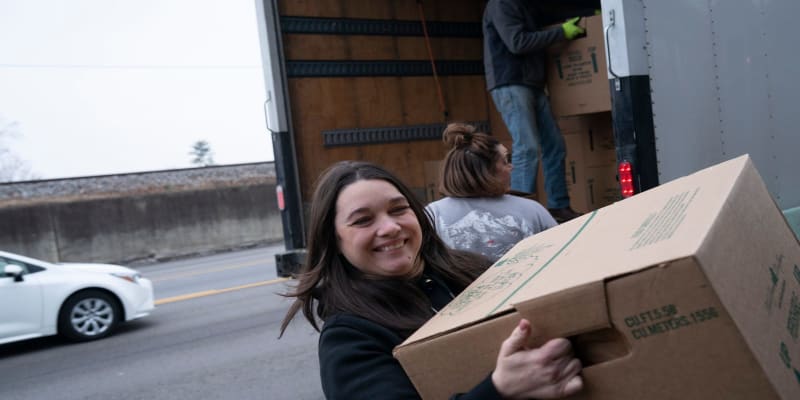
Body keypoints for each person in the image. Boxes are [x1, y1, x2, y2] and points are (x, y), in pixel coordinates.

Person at [279, 160, 583, 399]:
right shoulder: (350, 337)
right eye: (363, 220)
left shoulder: (475, 271)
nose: (390, 227)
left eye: (398, 209)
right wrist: (499, 390)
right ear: (335, 241)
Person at [483, 0, 593, 223]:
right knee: (527, 147)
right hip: (510, 82)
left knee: (554, 145)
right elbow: (517, 42)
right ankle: (519, 216)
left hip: (531, 83)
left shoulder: (524, 5)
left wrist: (589, 11)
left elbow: (550, 16)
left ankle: (558, 208)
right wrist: (561, 32)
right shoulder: (501, 4)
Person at [427, 122, 557, 262]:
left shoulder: (433, 213)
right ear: (486, 170)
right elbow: (562, 253)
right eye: (505, 161)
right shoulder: (532, 209)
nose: (511, 167)